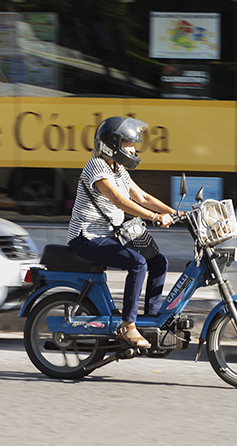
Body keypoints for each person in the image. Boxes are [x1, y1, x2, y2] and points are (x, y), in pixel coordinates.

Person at [67, 116, 176, 349]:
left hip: (107, 237)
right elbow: (118, 200)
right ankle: (128, 325)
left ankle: (151, 321)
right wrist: (155, 217)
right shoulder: (96, 166)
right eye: (128, 144)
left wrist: (176, 213)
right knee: (137, 264)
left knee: (159, 262)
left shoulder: (119, 170)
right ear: (112, 145)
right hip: (86, 238)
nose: (133, 149)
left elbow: (142, 197)